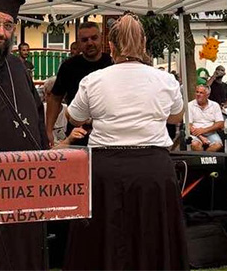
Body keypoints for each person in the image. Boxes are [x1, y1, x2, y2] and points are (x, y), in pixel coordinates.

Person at [64, 13, 188, 270]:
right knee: (151, 238)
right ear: (143, 44)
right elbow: (176, 116)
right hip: (152, 169)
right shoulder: (165, 79)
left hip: (105, 169)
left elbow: (75, 117)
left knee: (103, 238)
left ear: (111, 46)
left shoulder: (93, 80)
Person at [0, 0, 48, 270]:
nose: (0, 32)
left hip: (25, 186)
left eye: (8, 25)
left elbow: (37, 117)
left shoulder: (18, 66)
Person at [45, 21, 112, 146]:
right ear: (78, 43)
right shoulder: (68, 67)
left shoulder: (112, 64)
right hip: (76, 135)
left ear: (102, 39)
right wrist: (48, 130)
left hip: (107, 135)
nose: (90, 43)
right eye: (84, 40)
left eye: (94, 38)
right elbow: (55, 98)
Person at [188, 84, 225, 152]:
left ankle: (205, 158)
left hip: (211, 132)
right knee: (195, 144)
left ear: (207, 95)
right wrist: (201, 136)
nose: (198, 94)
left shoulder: (215, 105)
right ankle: (202, 158)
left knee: (217, 145)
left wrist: (204, 130)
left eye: (201, 93)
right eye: (197, 92)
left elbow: (220, 123)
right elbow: (188, 125)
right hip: (195, 134)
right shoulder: (190, 105)